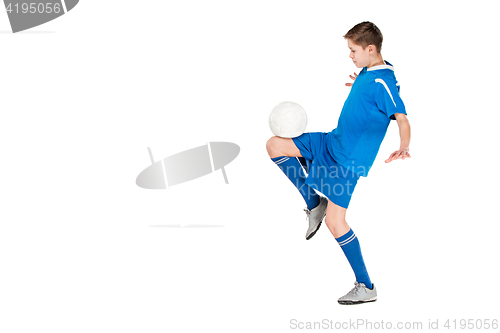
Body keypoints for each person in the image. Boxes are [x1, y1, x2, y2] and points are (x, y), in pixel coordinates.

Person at [266, 21, 411, 305]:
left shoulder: (384, 83)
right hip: (331, 142)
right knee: (274, 145)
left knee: (336, 222)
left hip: (347, 162)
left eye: (353, 50)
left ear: (371, 49)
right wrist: (357, 86)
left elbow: (403, 118)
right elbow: (368, 87)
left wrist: (404, 145)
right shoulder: (369, 71)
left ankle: (366, 285)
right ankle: (314, 202)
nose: (350, 55)